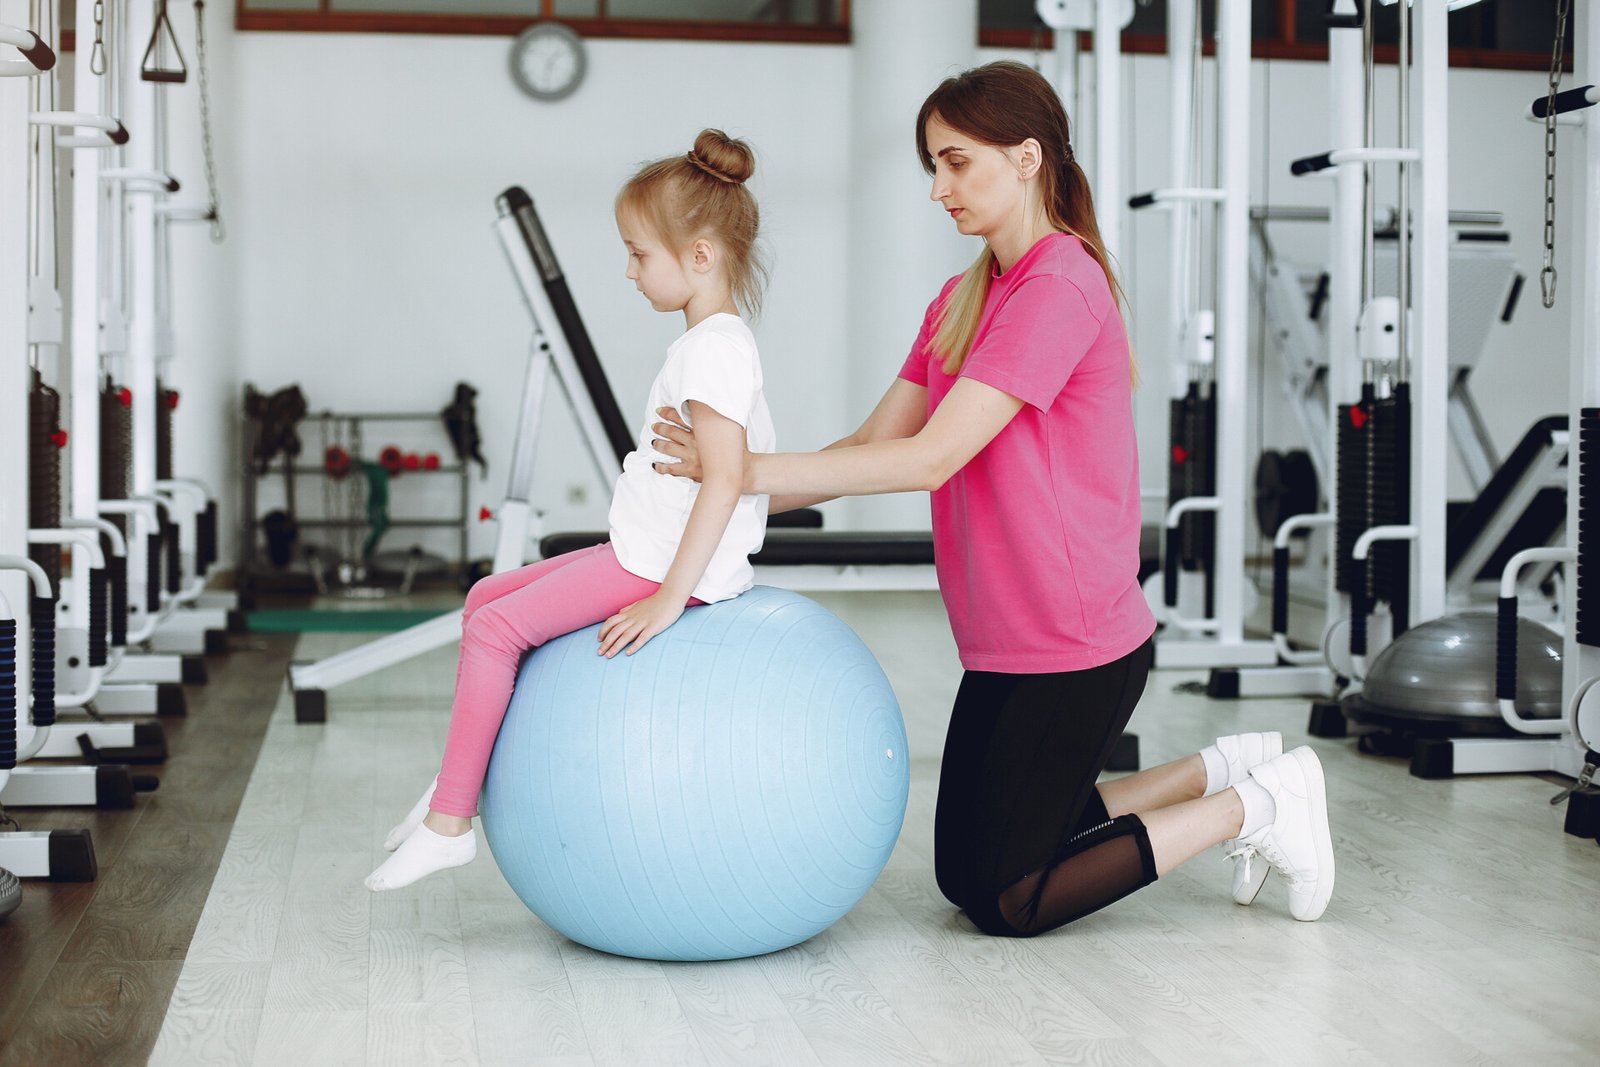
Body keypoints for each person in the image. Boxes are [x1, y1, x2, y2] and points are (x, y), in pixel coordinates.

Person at [649, 63, 1335, 933]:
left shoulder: (1060, 285)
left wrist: (740, 471)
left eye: (955, 162)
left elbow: (931, 457)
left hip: (1076, 637)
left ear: (1026, 157)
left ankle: (1263, 804)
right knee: (964, 875)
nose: (938, 188)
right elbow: (868, 445)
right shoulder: (963, 294)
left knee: (1012, 898)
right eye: (932, 166)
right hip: (1006, 637)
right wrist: (720, 488)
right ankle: (1220, 767)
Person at [366, 129, 777, 892]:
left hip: (662, 564)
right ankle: (455, 781)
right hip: (645, 545)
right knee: (486, 596)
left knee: (493, 628)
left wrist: (666, 597)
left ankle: (451, 823)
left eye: (638, 253)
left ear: (700, 256)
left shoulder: (715, 349)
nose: (628, 270)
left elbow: (725, 479)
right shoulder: (707, 340)